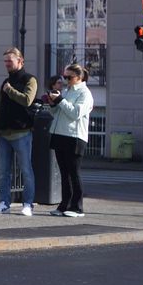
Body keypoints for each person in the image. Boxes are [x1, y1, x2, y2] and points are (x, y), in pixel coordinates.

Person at [0, 47, 37, 216]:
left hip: (22, 132)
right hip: (4, 133)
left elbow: (27, 100)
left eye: (9, 61)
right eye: (5, 61)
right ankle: (4, 202)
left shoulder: (30, 80)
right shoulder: (5, 81)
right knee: (4, 171)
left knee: (26, 170)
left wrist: (9, 90)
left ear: (20, 61)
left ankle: (28, 203)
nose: (7, 64)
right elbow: (0, 108)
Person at [47, 63, 94, 217]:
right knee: (64, 173)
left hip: (75, 136)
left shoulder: (84, 93)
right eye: (65, 77)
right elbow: (58, 112)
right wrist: (53, 103)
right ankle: (64, 205)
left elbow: (75, 113)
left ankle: (77, 207)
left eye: (69, 77)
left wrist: (60, 100)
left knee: (74, 172)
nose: (66, 80)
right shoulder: (67, 91)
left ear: (79, 77)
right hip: (60, 134)